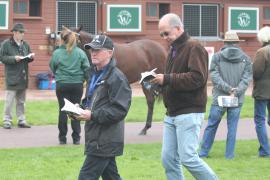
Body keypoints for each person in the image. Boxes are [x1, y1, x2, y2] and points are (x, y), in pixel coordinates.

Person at [152, 13, 218, 180]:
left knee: (188, 158)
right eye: (161, 35)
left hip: (189, 111)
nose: (164, 37)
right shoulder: (173, 49)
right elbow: (174, 79)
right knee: (168, 159)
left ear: (179, 28)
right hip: (172, 113)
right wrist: (159, 84)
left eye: (166, 33)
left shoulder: (194, 47)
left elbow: (198, 78)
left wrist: (166, 79)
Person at [74, 35, 132, 180]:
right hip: (97, 136)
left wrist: (92, 115)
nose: (93, 52)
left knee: (85, 177)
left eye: (98, 50)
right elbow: (92, 101)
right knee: (111, 176)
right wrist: (79, 108)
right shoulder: (94, 73)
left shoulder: (117, 78)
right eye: (91, 49)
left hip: (105, 140)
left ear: (110, 53)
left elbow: (119, 111)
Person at [199, 31, 252, 159]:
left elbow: (214, 76)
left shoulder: (217, 57)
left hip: (219, 98)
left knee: (211, 126)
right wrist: (236, 91)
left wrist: (227, 89)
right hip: (236, 98)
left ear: (225, 42)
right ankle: (229, 155)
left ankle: (203, 153)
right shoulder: (246, 59)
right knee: (232, 128)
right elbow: (246, 79)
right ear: (237, 42)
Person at [49, 26, 90, 145]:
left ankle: (62, 138)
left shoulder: (57, 53)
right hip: (77, 85)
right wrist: (83, 79)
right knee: (76, 110)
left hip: (62, 84)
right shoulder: (80, 52)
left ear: (62, 40)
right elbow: (86, 68)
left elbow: (53, 66)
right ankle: (76, 138)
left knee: (63, 110)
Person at [0, 23, 34, 129]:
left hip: (23, 77)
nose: (23, 34)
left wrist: (31, 57)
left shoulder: (25, 44)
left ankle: (21, 120)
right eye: (21, 32)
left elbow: (28, 56)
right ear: (14, 32)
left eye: (23, 32)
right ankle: (7, 120)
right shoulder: (6, 44)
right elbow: (2, 58)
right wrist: (14, 58)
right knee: (9, 100)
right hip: (12, 77)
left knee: (21, 101)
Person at [252, 26, 270, 157]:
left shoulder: (262, 52)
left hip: (263, 92)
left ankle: (264, 150)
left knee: (260, 121)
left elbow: (256, 72)